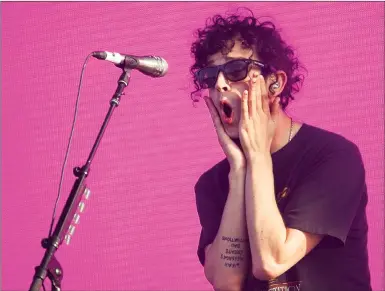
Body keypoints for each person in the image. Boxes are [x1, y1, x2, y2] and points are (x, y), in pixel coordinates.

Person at [190, 10, 372, 291]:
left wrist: (259, 157)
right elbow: (226, 284)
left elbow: (272, 262)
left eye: (236, 69)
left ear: (274, 83)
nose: (220, 84)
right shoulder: (212, 183)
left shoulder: (333, 157)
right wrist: (240, 173)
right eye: (209, 75)